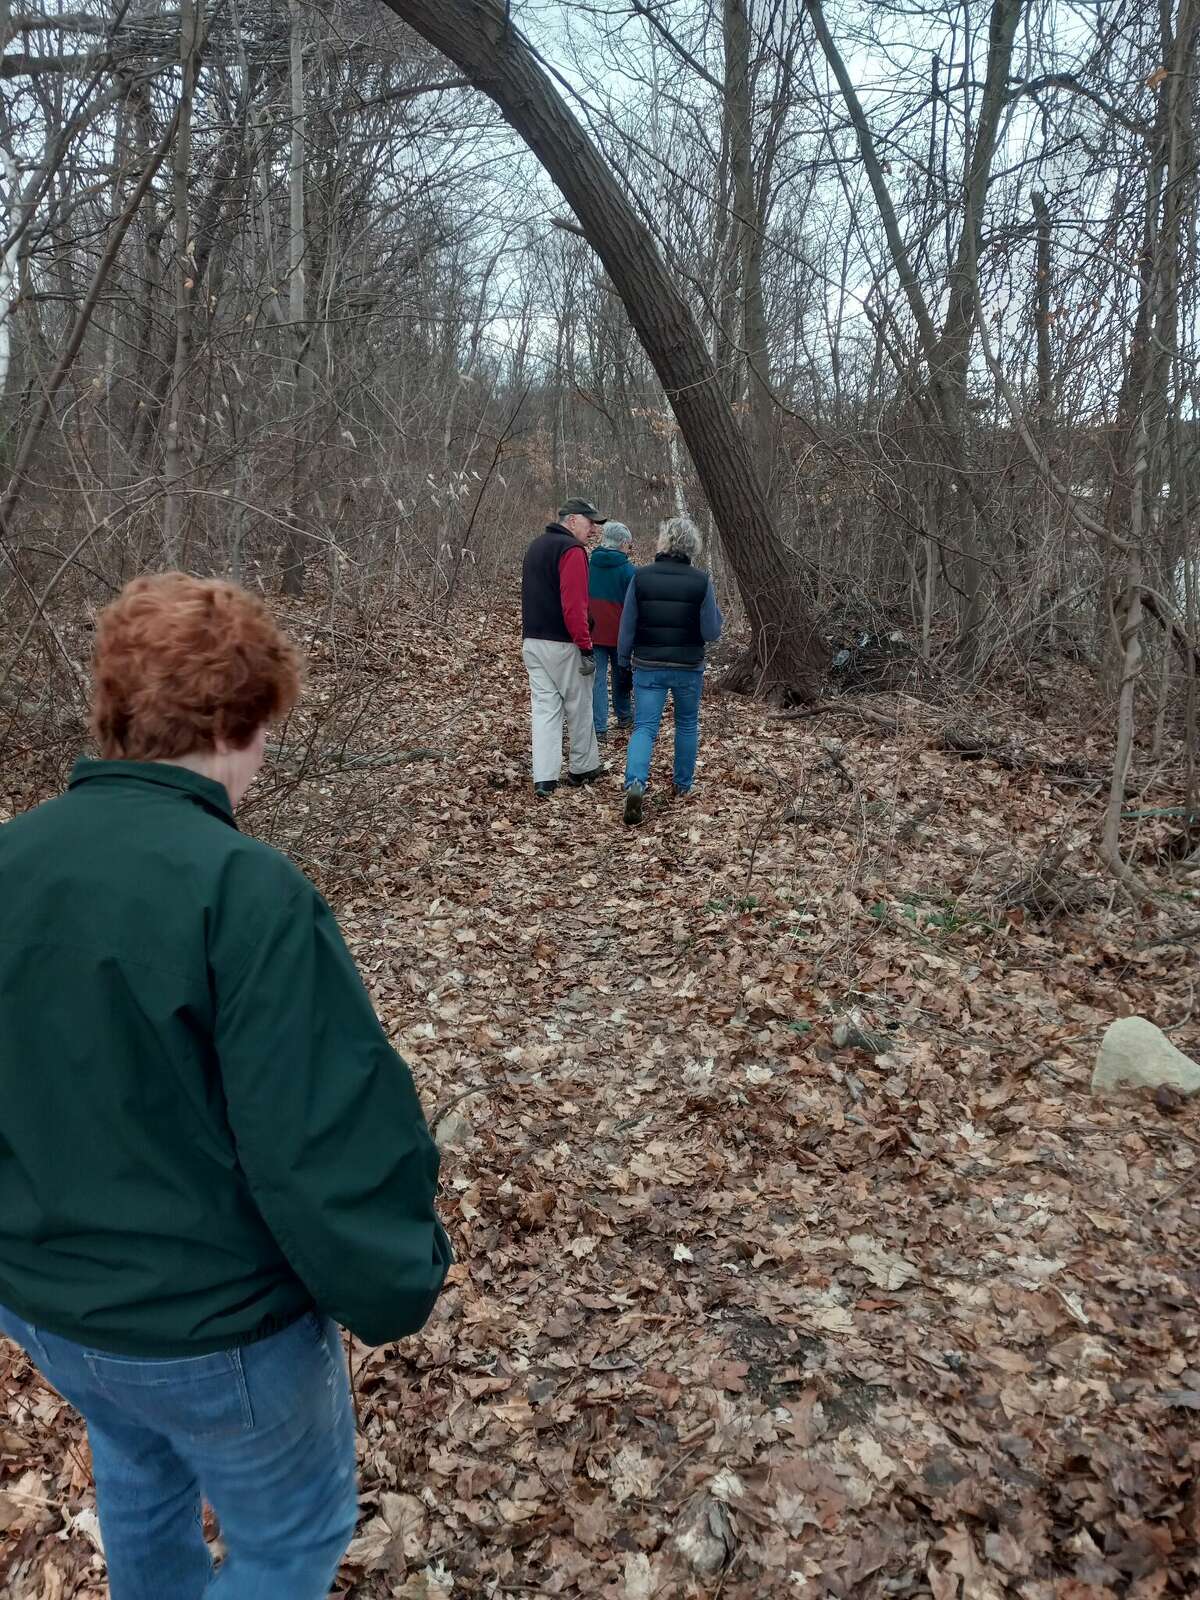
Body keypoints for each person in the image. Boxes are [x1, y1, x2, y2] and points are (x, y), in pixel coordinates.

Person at [0, 573, 451, 1600]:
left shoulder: (11, 860)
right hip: (213, 1331)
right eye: (262, 730)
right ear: (235, 725)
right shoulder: (244, 892)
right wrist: (400, 1273)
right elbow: (320, 1138)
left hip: (48, 1306)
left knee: (139, 1465)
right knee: (293, 1536)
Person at [617, 514, 724, 825]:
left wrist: (623, 661)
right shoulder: (701, 581)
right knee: (687, 724)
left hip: (648, 665)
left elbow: (627, 626)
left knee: (644, 727)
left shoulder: (641, 577)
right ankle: (683, 785)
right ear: (693, 546)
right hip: (688, 666)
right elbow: (711, 632)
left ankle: (636, 783)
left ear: (664, 542)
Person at [520, 496, 607, 799]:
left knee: (545, 710)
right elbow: (574, 606)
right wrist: (585, 646)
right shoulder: (571, 550)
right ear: (572, 520)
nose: (593, 529)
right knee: (579, 705)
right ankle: (583, 767)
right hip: (564, 643)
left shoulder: (535, 547)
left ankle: (544, 778)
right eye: (590, 522)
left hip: (532, 641)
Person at [587, 519, 637, 743]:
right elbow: (634, 606)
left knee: (597, 681)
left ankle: (599, 727)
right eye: (628, 544)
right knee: (621, 674)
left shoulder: (589, 565)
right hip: (620, 634)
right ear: (623, 543)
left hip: (593, 631)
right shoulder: (629, 571)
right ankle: (624, 715)